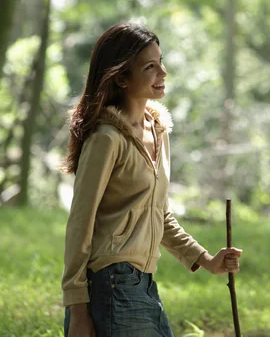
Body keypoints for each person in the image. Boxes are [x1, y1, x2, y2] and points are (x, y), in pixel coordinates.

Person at [61, 21, 242, 337]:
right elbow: (80, 222)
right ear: (122, 77)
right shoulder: (106, 140)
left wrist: (208, 260)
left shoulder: (158, 132)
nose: (164, 72)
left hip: (142, 284)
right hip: (111, 283)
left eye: (161, 62)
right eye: (150, 66)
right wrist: (77, 308)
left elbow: (159, 214)